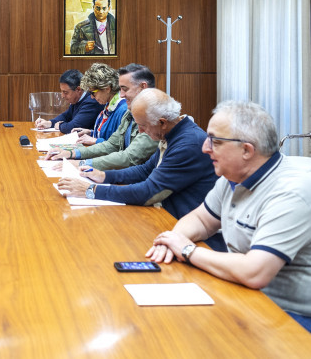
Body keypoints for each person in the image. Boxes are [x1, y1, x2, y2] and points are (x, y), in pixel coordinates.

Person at [147, 101, 311, 332]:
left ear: (247, 150)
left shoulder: (291, 192)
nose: (205, 148)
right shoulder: (232, 177)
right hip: (245, 294)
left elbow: (255, 272)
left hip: (291, 314)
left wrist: (187, 250)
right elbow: (202, 220)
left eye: (215, 141)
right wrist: (172, 240)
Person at [57, 88, 219, 223]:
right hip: (166, 215)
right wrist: (104, 176)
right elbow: (144, 171)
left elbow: (148, 192)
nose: (140, 131)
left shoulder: (187, 144)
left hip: (176, 221)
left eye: (142, 125)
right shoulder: (173, 133)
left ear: (162, 122)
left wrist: (91, 190)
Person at [45, 63, 158, 170]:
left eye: (125, 89)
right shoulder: (130, 112)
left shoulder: (153, 117)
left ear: (143, 87)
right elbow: (111, 145)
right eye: (121, 89)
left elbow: (129, 158)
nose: (122, 94)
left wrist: (82, 163)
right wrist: (72, 153)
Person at [71, 63, 127, 146]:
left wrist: (96, 141)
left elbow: (120, 146)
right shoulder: (110, 104)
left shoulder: (123, 109)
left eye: (93, 93)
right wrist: (91, 132)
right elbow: (110, 135)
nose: (92, 97)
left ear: (107, 88)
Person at [34, 69, 103, 134]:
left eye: (65, 92)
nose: (62, 96)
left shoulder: (91, 101)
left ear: (78, 89)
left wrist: (60, 126)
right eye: (62, 91)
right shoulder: (76, 99)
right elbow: (66, 116)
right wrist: (49, 123)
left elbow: (73, 127)